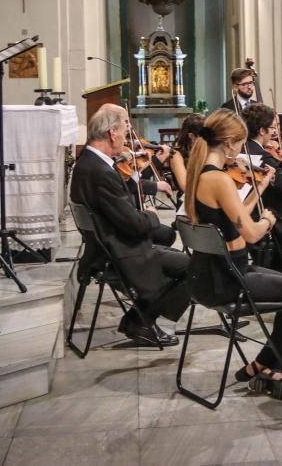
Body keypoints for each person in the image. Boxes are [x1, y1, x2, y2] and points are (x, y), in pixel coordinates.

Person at [184, 108, 282, 401]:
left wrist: (257, 188)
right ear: (231, 142)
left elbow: (231, 222)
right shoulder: (219, 179)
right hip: (229, 279)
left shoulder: (199, 173)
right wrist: (268, 221)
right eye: (241, 143)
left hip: (207, 275)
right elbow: (251, 234)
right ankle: (266, 363)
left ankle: (265, 367)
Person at [70, 105, 192, 346]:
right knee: (195, 268)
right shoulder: (100, 171)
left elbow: (120, 206)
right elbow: (134, 224)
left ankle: (138, 320)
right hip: (120, 254)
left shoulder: (88, 162)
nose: (126, 137)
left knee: (176, 256)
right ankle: (141, 321)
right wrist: (151, 215)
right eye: (125, 131)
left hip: (106, 248)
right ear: (112, 132)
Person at [243, 103, 282, 269]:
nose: (275, 132)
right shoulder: (264, 157)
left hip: (248, 218)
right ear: (262, 131)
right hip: (273, 226)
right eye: (272, 127)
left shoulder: (243, 150)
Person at [167, 112, 206, 194]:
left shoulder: (207, 150)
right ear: (192, 136)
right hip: (188, 199)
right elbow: (185, 186)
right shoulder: (176, 155)